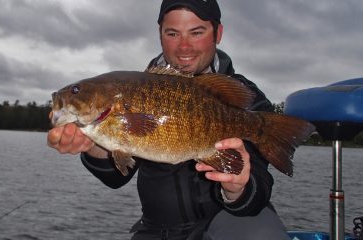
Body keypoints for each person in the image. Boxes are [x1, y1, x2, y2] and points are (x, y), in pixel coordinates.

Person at [47, 0, 291, 239]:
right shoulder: (138, 88)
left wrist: (238, 188)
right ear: (160, 34)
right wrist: (95, 147)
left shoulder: (246, 99)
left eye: (197, 32)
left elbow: (259, 189)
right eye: (173, 33)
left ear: (218, 33)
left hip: (229, 220)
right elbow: (116, 177)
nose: (184, 47)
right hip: (157, 229)